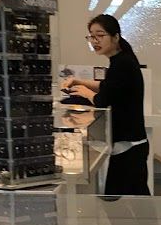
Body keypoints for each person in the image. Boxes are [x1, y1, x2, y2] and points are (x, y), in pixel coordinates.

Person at [62, 14, 149, 195]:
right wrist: (80, 82)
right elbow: (110, 87)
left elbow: (104, 99)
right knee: (130, 204)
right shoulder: (120, 60)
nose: (95, 41)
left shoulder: (123, 63)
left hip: (129, 146)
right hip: (127, 145)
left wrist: (86, 92)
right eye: (91, 36)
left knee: (127, 205)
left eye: (100, 35)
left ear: (115, 37)